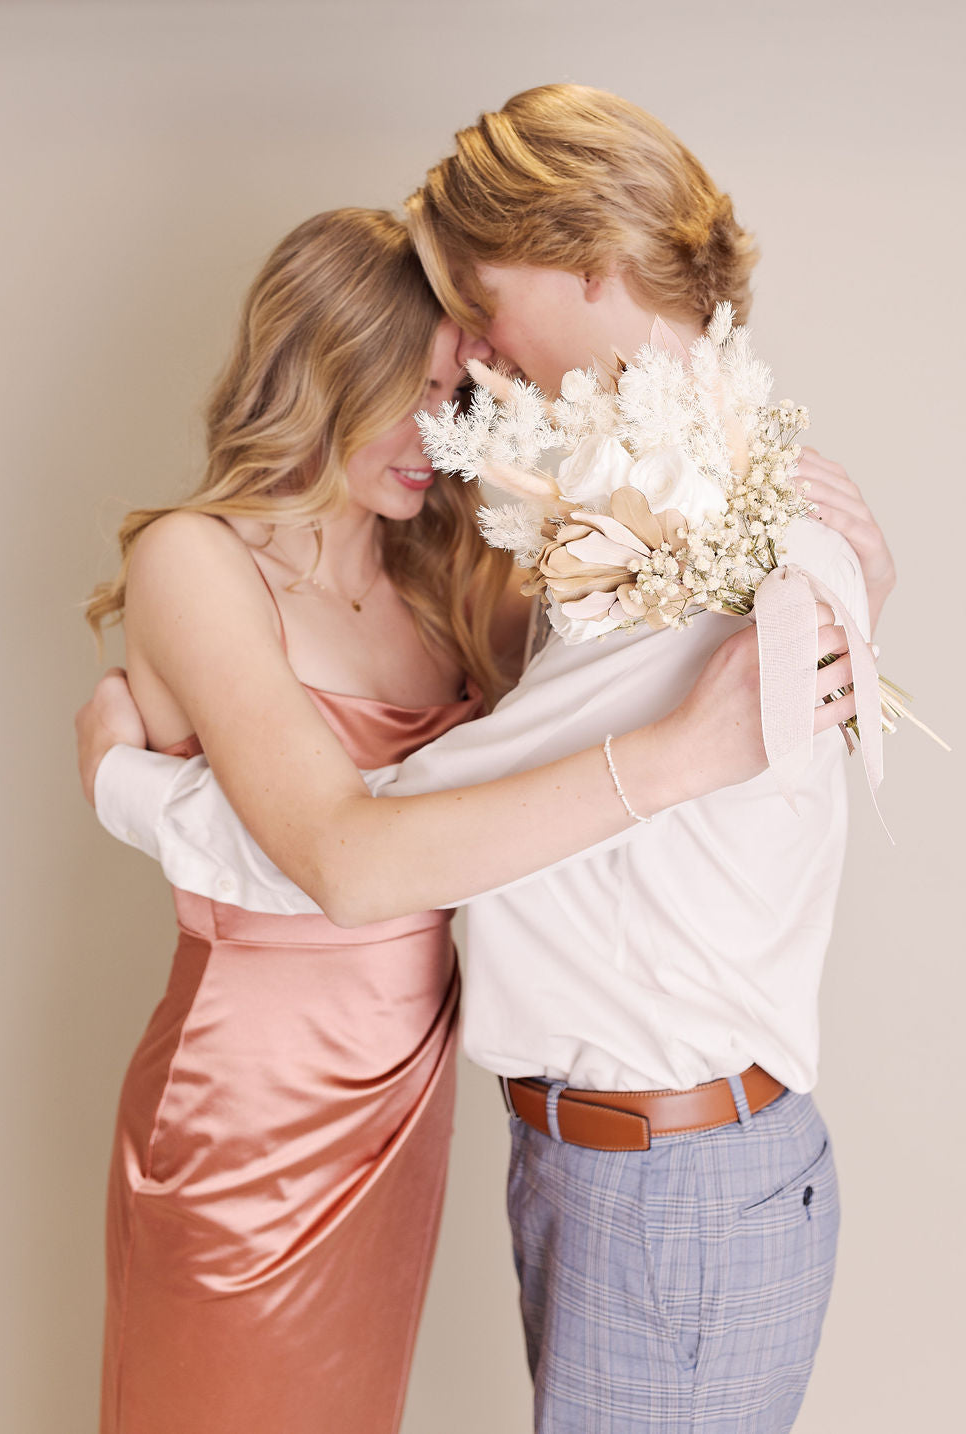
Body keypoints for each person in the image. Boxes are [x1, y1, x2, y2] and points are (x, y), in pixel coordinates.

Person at [81, 202, 844, 1434]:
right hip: (252, 1098)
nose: (441, 434)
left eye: (462, 393)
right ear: (322, 363)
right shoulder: (198, 559)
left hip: (404, 1096)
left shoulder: (448, 584)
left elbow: (499, 802)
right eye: (414, 387)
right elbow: (343, 854)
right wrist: (675, 755)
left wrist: (848, 566)